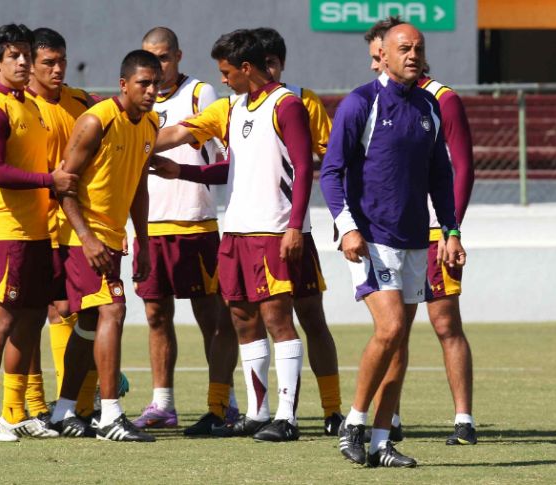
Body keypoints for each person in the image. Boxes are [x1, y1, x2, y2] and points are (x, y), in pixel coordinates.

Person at [150, 29, 314, 442]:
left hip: (272, 229)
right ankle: (258, 414)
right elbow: (233, 169)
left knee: (278, 319)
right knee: (242, 319)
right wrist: (182, 169)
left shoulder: (287, 104)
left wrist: (294, 225)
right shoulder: (233, 108)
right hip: (236, 231)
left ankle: (287, 417)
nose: (221, 79)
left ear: (246, 67)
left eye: (226, 72)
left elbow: (304, 167)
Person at [319, 23, 466, 467]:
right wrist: (347, 227)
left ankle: (382, 442)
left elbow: (442, 176)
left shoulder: (429, 106)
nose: (412, 55)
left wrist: (451, 230)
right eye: (404, 48)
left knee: (400, 341)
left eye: (418, 48)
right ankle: (355, 422)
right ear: (381, 54)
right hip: (370, 240)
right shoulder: (360, 102)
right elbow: (331, 173)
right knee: (388, 330)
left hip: (415, 241)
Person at [364, 16, 477, 446]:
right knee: (395, 328)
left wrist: (452, 230)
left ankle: (463, 419)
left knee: (446, 323)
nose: (378, 64)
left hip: (434, 232)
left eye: (381, 56)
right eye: (377, 57)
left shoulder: (441, 99)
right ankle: (389, 419)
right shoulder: (375, 101)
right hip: (393, 233)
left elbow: (461, 167)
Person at [47, 49, 161, 442]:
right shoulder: (96, 121)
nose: (150, 91)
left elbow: (140, 185)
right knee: (113, 308)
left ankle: (63, 410)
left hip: (113, 236)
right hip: (81, 235)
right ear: (123, 84)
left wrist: (143, 239)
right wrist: (87, 237)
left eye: (156, 83)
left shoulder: (151, 123)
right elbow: (64, 184)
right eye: (143, 83)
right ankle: (110, 415)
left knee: (91, 324)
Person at [0, 23, 77, 441]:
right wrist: (49, 180)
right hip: (4, 233)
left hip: (36, 233)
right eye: (12, 55)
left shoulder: (30, 108)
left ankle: (15, 412)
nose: (21, 61)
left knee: (32, 320)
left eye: (25, 55)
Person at [132, 26, 239, 435]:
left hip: (195, 222)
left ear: (177, 55)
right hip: (150, 224)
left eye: (163, 57)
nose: (157, 67)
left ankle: (223, 402)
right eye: (149, 58)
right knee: (156, 315)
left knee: (212, 318)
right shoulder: (135, 99)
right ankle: (163, 404)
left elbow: (216, 152)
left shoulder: (201, 94)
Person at [252, 26, 344, 436]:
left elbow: (329, 151)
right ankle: (265, 410)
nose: (268, 71)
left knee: (311, 316)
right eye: (262, 64)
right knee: (259, 317)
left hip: (294, 230)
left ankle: (332, 409)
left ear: (281, 64)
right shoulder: (241, 104)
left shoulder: (301, 101)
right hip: (256, 229)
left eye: (273, 63)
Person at [24, 26, 101, 425]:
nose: (57, 69)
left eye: (61, 61)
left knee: (79, 309)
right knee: (38, 313)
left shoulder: (80, 103)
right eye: (48, 63)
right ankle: (37, 403)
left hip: (74, 224)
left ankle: (78, 404)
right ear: (31, 65)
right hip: (32, 226)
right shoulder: (19, 105)